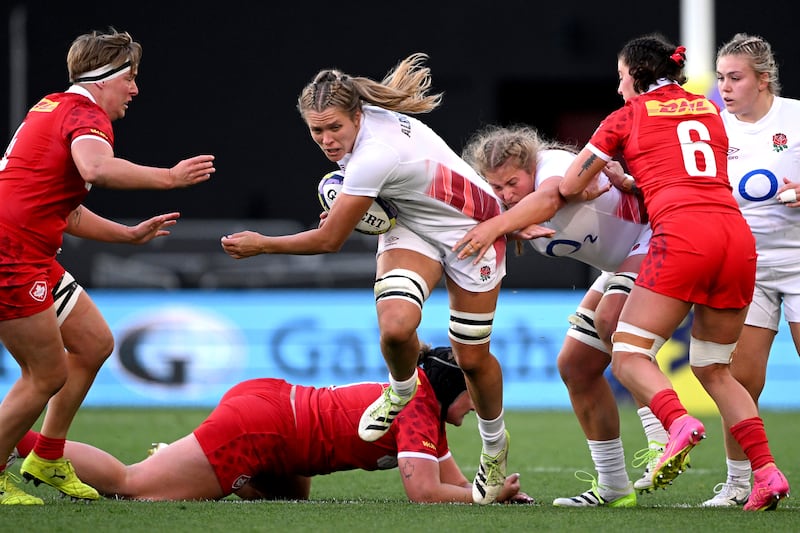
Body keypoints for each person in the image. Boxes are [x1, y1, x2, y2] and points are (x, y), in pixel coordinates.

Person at [220, 53, 509, 504]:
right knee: (396, 329)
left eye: (334, 127)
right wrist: (359, 211)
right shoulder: (365, 131)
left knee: (472, 360)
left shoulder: (374, 154)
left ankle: (494, 448)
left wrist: (263, 244)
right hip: (412, 224)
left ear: (358, 115)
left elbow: (328, 241)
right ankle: (400, 390)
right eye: (317, 131)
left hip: (472, 229)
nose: (327, 140)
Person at [558, 33, 790, 511]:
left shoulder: (625, 116)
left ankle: (677, 423)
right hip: (737, 239)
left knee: (627, 355)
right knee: (716, 369)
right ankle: (766, 473)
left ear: (636, 76)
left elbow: (569, 183)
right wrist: (640, 178)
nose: (619, 86)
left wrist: (614, 173)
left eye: (621, 77)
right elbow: (692, 170)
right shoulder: (709, 111)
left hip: (683, 239)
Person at [0, 28, 215, 505]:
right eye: (131, 78)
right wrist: (170, 177)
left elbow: (66, 210)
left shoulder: (55, 106)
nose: (135, 90)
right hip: (10, 258)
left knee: (95, 343)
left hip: (28, 254)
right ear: (106, 77)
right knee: (44, 375)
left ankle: (48, 457)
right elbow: (97, 168)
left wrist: (128, 234)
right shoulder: (85, 114)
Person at [8, 346, 533, 504]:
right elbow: (424, 494)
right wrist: (479, 500)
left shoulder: (422, 406)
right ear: (449, 387)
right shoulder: (418, 407)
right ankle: (13, 443)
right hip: (263, 429)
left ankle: (191, 461)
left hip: (276, 418)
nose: (481, 403)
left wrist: (497, 495)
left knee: (285, 507)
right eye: (476, 392)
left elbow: (459, 486)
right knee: (132, 486)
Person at [456, 124, 655, 507]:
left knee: (612, 320)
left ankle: (661, 436)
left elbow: (550, 198)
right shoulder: (509, 205)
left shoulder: (556, 164)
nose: (505, 195)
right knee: (575, 365)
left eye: (512, 183)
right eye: (496, 188)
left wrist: (498, 226)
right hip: (619, 263)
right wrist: (509, 223)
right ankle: (614, 485)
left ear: (531, 165)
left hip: (653, 239)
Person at [693, 33, 800, 507]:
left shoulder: (796, 117)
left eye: (734, 78)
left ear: (763, 79)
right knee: (740, 379)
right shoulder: (714, 127)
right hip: (746, 266)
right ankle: (740, 483)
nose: (725, 88)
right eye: (720, 79)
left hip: (797, 261)